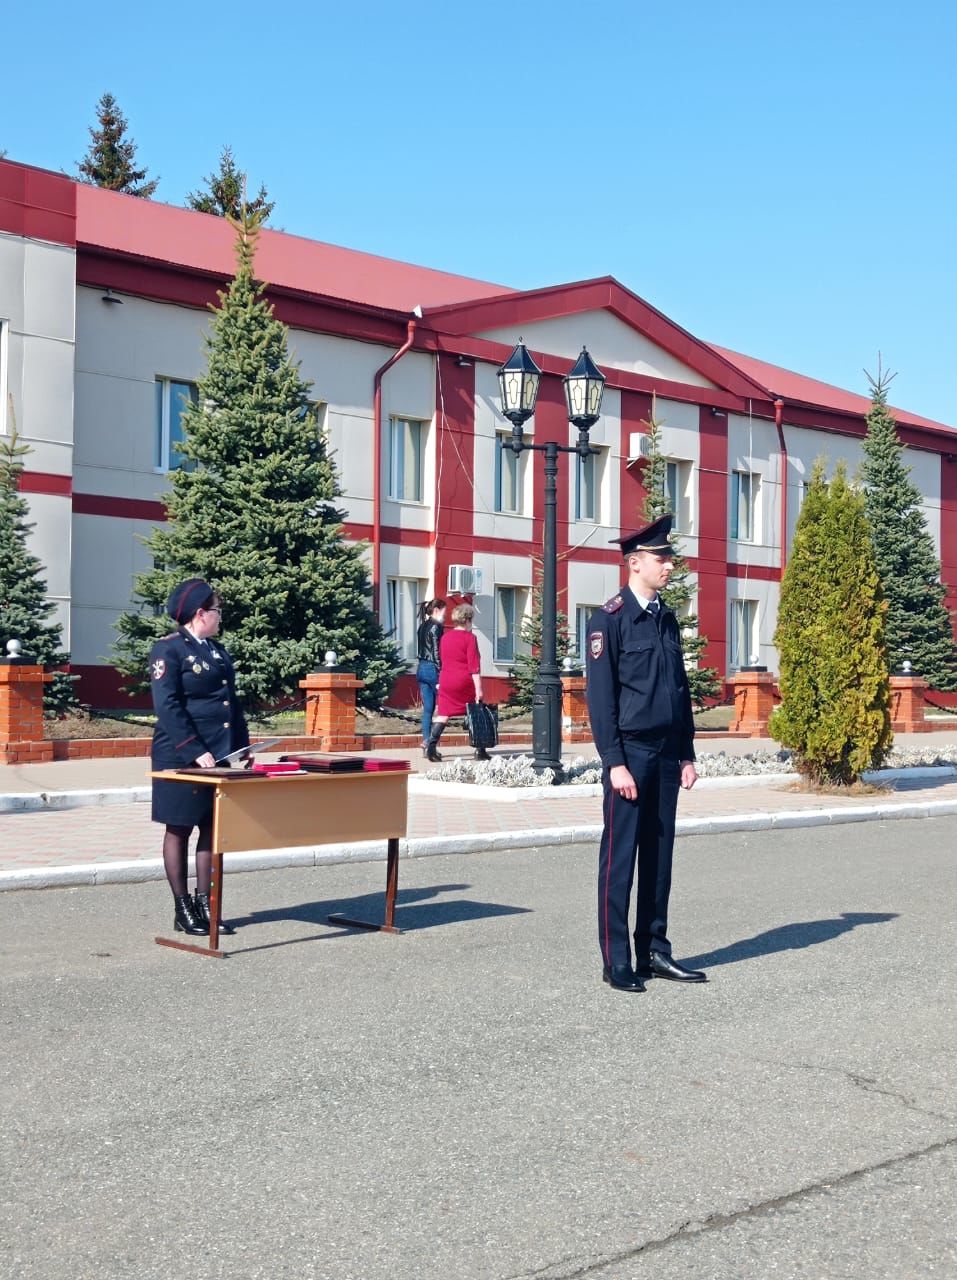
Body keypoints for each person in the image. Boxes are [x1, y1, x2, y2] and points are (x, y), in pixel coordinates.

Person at [585, 514, 705, 993]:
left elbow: (678, 690)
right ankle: (617, 960)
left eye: (670, 557)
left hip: (665, 755)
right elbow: (601, 700)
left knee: (660, 858)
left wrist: (687, 752)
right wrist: (613, 762)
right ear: (635, 563)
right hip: (629, 756)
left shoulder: (665, 618)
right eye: (662, 558)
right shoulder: (609, 620)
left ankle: (654, 950)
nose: (669, 565)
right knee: (620, 860)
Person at [149, 578, 249, 936]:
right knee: (179, 828)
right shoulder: (168, 650)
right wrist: (196, 751)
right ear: (200, 613)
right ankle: (182, 907)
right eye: (217, 611)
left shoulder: (218, 651)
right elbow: (168, 707)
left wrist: (243, 746)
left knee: (212, 829)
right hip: (178, 756)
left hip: (218, 756)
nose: (221, 617)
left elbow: (230, 703)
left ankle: (207, 905)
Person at [425, 601, 486, 762]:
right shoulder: (470, 638)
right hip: (463, 681)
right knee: (476, 713)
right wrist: (478, 689)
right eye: (471, 619)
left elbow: (444, 659)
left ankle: (431, 748)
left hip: (446, 680)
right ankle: (480, 750)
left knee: (443, 714)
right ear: (466, 620)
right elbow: (474, 666)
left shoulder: (445, 637)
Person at [415, 598, 446, 756]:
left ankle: (426, 741)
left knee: (428, 709)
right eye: (443, 611)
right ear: (437, 610)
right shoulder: (436, 626)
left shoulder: (422, 626)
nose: (445, 615)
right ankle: (432, 745)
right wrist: (441, 670)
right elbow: (436, 651)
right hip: (433, 669)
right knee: (443, 708)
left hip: (421, 667)